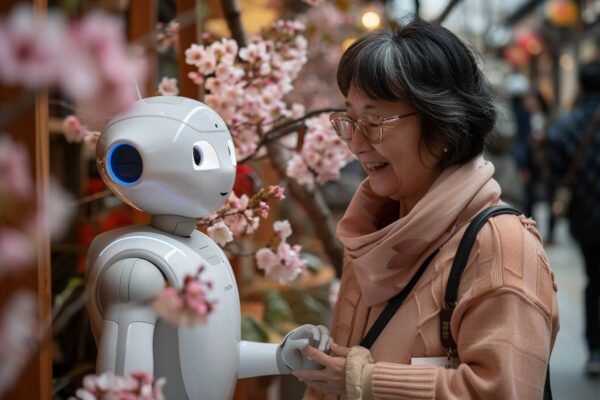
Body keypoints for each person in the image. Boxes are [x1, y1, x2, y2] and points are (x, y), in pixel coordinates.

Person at [289, 17, 560, 399]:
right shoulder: (372, 230)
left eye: (375, 121)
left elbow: (504, 391)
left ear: (443, 126)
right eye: (351, 120)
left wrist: (364, 381)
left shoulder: (501, 246)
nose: (356, 144)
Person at [547, 59, 600, 376]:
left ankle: (595, 351)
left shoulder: (568, 125)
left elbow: (553, 159)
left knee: (593, 281)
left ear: (580, 85)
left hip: (586, 217)